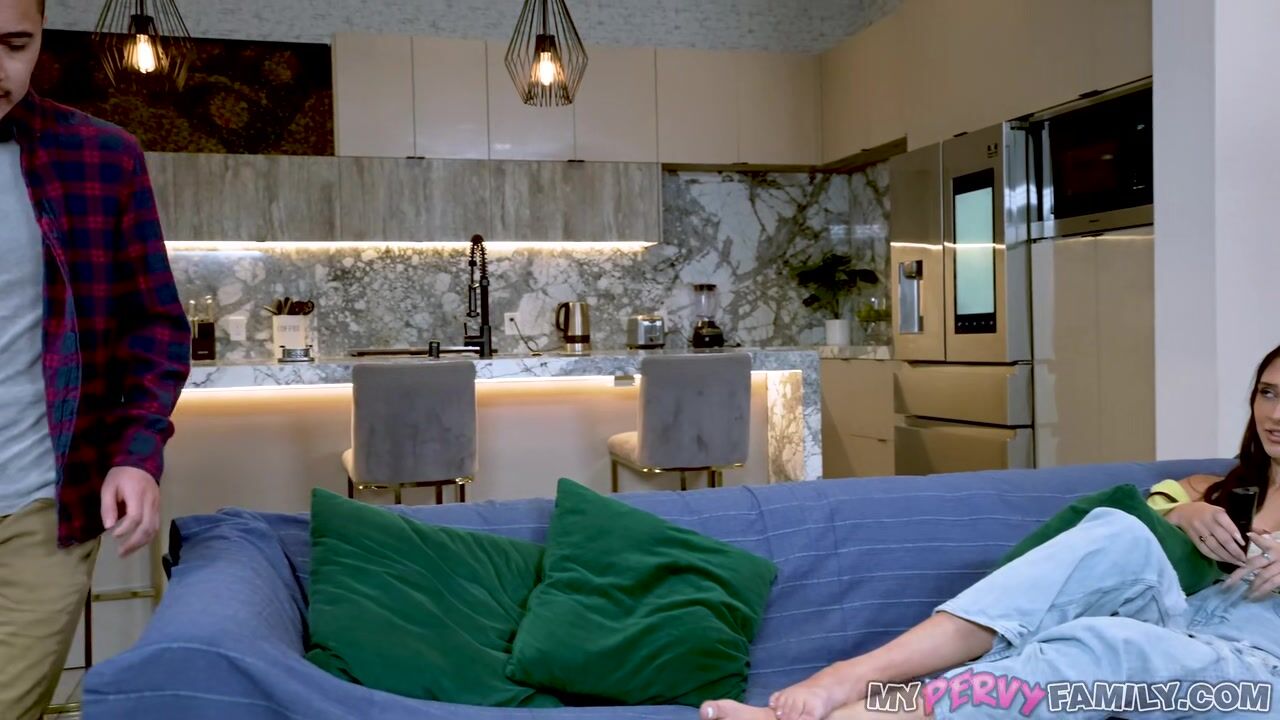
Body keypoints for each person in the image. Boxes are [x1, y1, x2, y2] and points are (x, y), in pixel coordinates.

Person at [701, 343, 1280, 720]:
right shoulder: (1214, 486)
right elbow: (1142, 549)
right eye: (1267, 393)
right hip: (1182, 628)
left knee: (1105, 643)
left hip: (1254, 681)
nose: (1274, 414)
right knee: (1120, 534)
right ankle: (854, 678)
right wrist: (1176, 515)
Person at [0, 0, 191, 717]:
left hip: (39, 508)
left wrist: (137, 454)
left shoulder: (101, 157)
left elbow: (156, 326)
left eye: (14, 44)